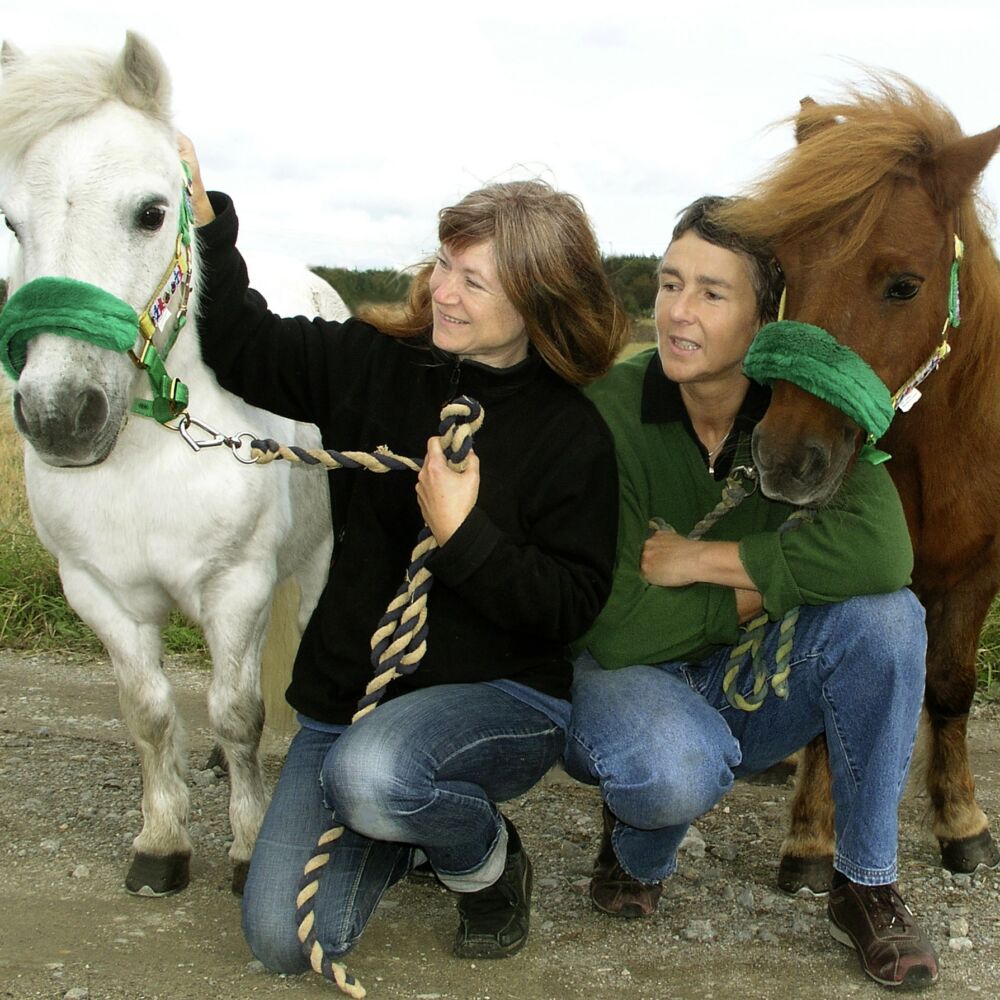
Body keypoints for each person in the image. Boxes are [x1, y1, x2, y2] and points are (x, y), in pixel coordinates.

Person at [179, 138, 629, 972]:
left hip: (500, 701)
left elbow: (569, 607)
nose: (443, 292)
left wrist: (465, 537)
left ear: (535, 302)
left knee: (375, 773)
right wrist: (207, 218)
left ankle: (483, 859)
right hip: (354, 701)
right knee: (281, 941)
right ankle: (400, 821)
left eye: (474, 280)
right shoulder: (377, 365)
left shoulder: (574, 437)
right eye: (445, 265)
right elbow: (243, 345)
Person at [565, 196, 939, 990]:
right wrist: (774, 586)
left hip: (744, 680)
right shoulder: (609, 410)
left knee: (889, 621)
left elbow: (883, 553)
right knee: (671, 767)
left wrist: (707, 559)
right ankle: (638, 841)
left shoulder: (799, 413)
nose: (676, 312)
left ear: (767, 319)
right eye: (670, 285)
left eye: (711, 292)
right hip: (631, 682)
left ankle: (866, 881)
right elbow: (621, 631)